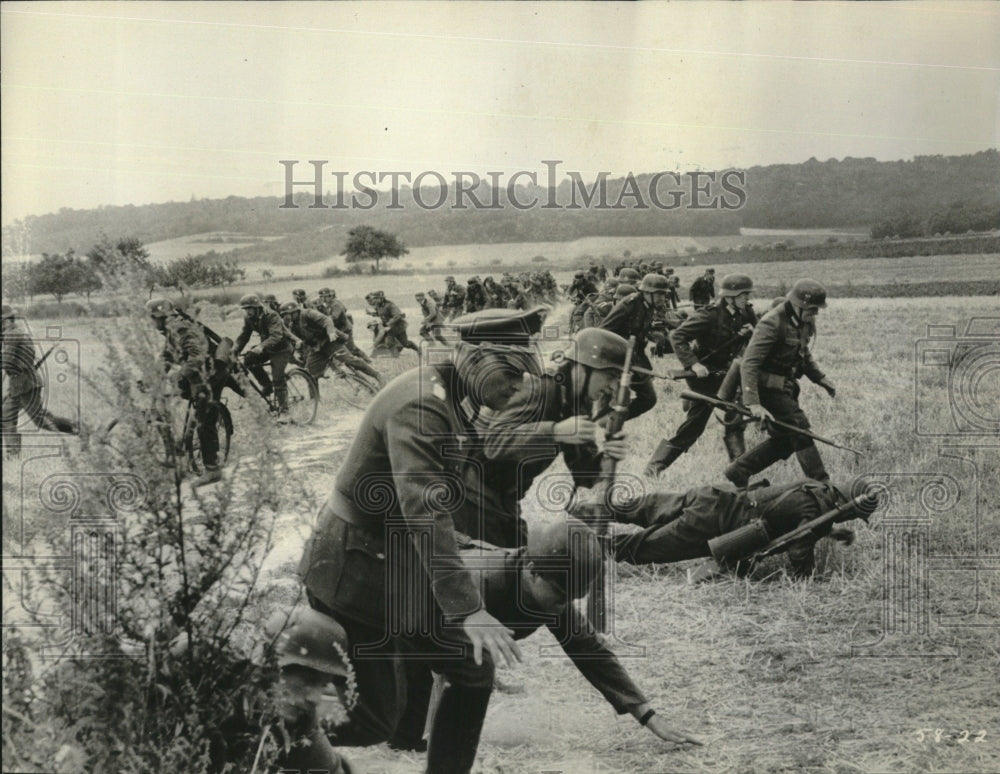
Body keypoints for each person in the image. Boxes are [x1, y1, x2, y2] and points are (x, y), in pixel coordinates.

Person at [297, 308, 547, 774]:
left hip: (398, 563)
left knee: (472, 670)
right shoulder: (422, 403)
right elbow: (425, 510)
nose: (520, 388)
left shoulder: (453, 397)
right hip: (355, 569)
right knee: (374, 721)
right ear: (474, 357)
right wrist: (468, 608)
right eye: (512, 374)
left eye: (526, 374)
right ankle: (261, 722)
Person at [392, 519, 705, 752]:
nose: (563, 605)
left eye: (571, 597)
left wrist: (648, 715)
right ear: (531, 569)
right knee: (404, 739)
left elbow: (591, 651)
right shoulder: (484, 580)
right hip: (403, 597)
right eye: (559, 594)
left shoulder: (552, 594)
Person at [478, 327, 639, 547]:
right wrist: (554, 431)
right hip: (471, 494)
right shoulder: (540, 387)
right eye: (610, 376)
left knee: (531, 565)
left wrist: (607, 457)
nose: (613, 387)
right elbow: (493, 444)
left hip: (503, 500)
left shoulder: (575, 399)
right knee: (507, 573)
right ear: (582, 367)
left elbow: (584, 471)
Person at [608, 478, 875, 580]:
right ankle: (587, 547)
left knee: (642, 507)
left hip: (714, 496)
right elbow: (798, 548)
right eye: (853, 515)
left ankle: (585, 510)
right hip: (714, 523)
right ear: (849, 507)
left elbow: (792, 517)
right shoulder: (819, 510)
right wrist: (808, 580)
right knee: (645, 547)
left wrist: (830, 532)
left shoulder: (815, 487)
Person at [724, 279, 837, 488]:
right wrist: (753, 402)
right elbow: (749, 363)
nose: (816, 314)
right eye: (812, 309)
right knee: (799, 427)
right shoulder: (772, 323)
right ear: (798, 304)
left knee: (787, 439)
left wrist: (820, 378)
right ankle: (822, 484)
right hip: (764, 388)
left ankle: (739, 470)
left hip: (784, 388)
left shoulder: (802, 321)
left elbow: (803, 353)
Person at [645, 274, 757, 477]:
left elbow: (758, 337)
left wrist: (752, 331)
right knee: (695, 426)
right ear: (730, 296)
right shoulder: (709, 315)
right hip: (704, 376)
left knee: (734, 418)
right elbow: (677, 336)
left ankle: (738, 470)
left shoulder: (746, 312)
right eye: (743, 294)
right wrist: (693, 363)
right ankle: (655, 467)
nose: (747, 298)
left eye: (748, 294)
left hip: (728, 373)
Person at [142, 298, 226, 486]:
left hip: (211, 374)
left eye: (152, 318)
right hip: (197, 374)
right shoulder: (171, 330)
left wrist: (179, 374)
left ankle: (213, 470)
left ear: (161, 317)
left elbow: (198, 355)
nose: (152, 322)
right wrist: (151, 375)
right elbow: (167, 355)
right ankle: (182, 449)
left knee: (204, 420)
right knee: (178, 399)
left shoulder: (181, 328)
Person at [2, 305, 82, 457]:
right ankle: (13, 455)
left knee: (41, 420)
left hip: (25, 385)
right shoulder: (17, 333)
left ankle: (79, 428)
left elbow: (6, 362)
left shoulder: (12, 336)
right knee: (6, 416)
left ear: (5, 321)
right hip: (19, 385)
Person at [598, 273, 668, 419]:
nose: (663, 298)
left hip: (635, 357)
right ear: (647, 292)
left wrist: (651, 335)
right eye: (659, 294)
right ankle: (605, 424)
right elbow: (603, 331)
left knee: (649, 399)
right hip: (616, 358)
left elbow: (639, 329)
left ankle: (613, 420)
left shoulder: (650, 305)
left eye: (664, 294)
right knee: (612, 397)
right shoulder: (628, 304)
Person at [279, 302, 383, 385]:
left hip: (330, 342)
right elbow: (297, 341)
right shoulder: (293, 325)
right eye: (284, 316)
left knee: (350, 361)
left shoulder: (308, 313)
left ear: (294, 312)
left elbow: (326, 319)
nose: (285, 318)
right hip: (317, 349)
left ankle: (377, 376)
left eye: (286, 315)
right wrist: (297, 351)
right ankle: (315, 399)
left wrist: (331, 332)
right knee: (310, 374)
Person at [233, 293, 295, 417]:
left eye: (249, 308)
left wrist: (261, 346)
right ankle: (267, 385)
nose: (247, 312)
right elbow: (244, 336)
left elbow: (276, 336)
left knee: (278, 378)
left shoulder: (272, 315)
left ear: (257, 307)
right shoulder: (249, 318)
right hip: (267, 348)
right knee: (249, 360)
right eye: (245, 309)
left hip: (281, 349)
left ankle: (284, 412)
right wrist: (234, 352)